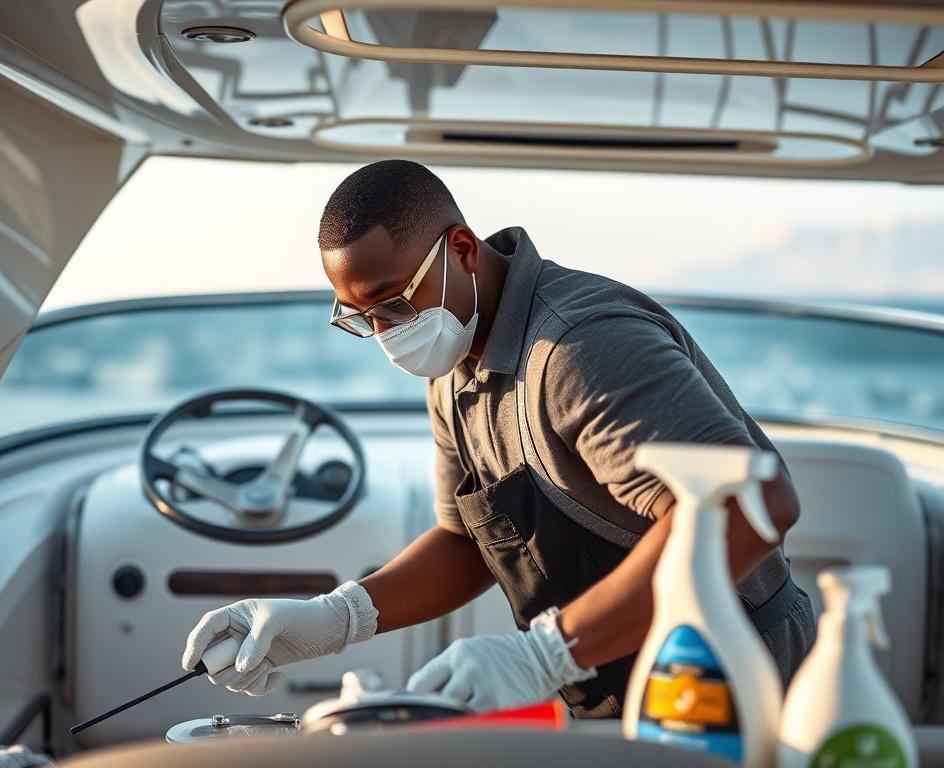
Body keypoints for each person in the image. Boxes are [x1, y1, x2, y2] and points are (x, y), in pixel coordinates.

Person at [182, 160, 816, 717]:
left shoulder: (580, 347)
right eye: (361, 317)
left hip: (730, 685)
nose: (385, 333)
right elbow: (469, 538)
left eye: (394, 305)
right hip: (613, 683)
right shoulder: (452, 361)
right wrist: (335, 617)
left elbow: (754, 510)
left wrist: (546, 654)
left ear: (461, 249)